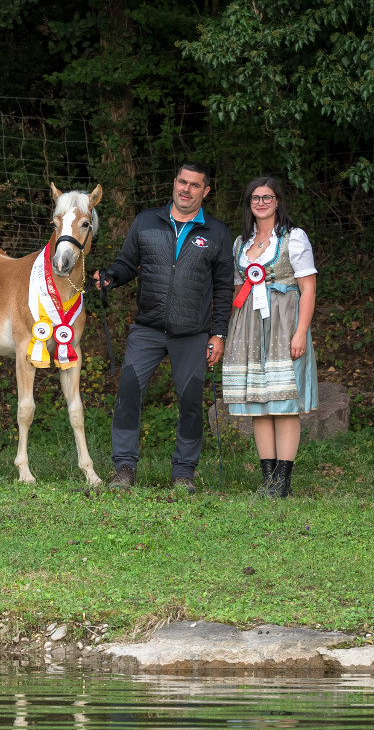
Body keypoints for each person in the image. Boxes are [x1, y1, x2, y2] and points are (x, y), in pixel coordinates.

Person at [93, 162, 233, 493]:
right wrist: (112, 277)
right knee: (128, 392)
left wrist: (218, 333)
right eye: (182, 182)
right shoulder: (146, 222)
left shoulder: (217, 233)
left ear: (205, 191)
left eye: (194, 185)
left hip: (193, 334)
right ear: (174, 183)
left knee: (189, 401)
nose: (186, 189)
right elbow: (128, 264)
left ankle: (183, 474)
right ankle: (124, 469)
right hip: (148, 329)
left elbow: (225, 289)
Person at [221, 177, 318, 497]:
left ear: (278, 201)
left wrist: (300, 331)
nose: (261, 202)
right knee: (258, 403)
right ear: (249, 203)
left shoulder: (294, 238)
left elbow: (308, 289)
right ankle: (268, 479)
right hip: (247, 327)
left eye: (267, 197)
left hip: (283, 322)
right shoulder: (240, 244)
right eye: (255, 198)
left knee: (284, 403)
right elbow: (238, 290)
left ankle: (284, 480)